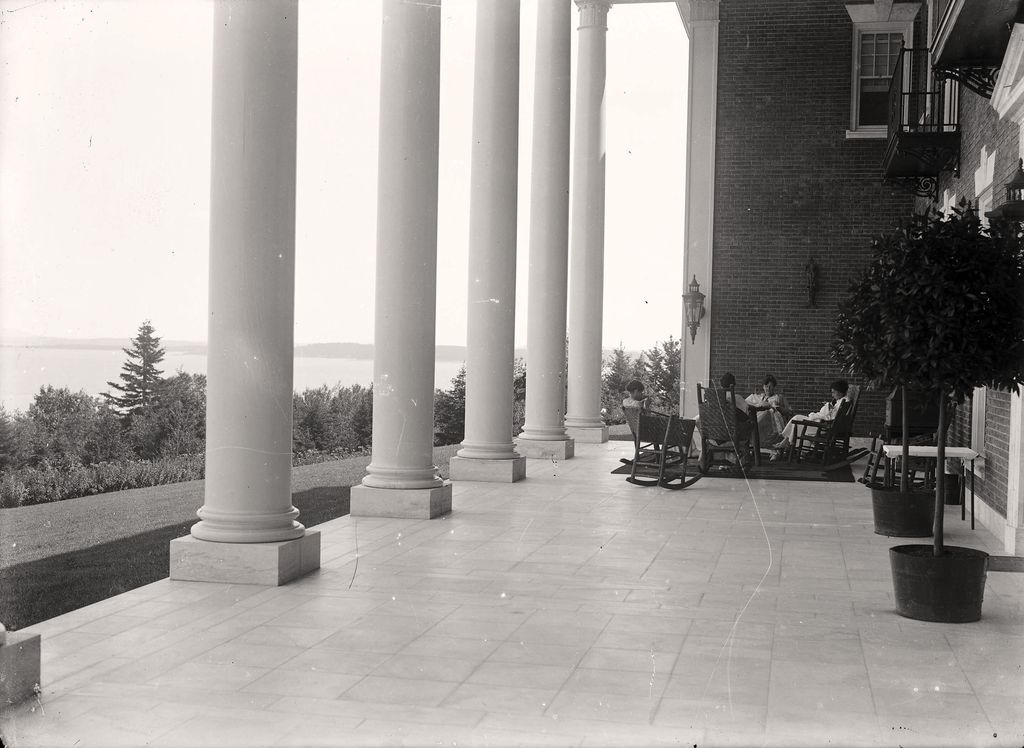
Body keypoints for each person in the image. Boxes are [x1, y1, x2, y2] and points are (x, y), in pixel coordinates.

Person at [772, 379, 849, 461]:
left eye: (833, 392)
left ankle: (787, 444)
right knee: (797, 418)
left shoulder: (843, 402)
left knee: (797, 421)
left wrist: (828, 407)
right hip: (825, 425)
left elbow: (830, 417)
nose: (832, 395)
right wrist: (829, 407)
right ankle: (787, 442)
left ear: (839, 392)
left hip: (824, 427)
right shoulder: (842, 401)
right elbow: (833, 414)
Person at [744, 374, 792, 449]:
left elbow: (789, 412)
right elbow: (745, 404)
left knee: (765, 414)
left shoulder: (779, 397)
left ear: (774, 387)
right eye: (766, 386)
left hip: (772, 423)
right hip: (760, 422)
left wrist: (779, 408)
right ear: (763, 387)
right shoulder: (759, 397)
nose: (768, 389)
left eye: (770, 386)